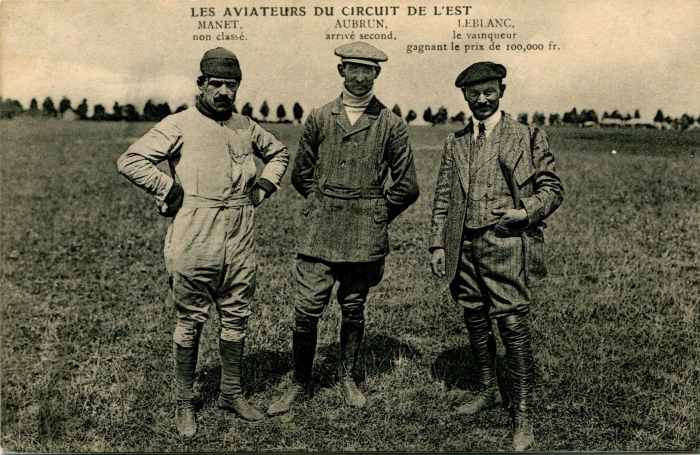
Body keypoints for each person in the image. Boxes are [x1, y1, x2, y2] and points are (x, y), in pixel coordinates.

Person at [117, 47, 289, 438]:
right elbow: (131, 160)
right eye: (216, 84)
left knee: (236, 315)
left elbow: (279, 153)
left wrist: (264, 184)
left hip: (240, 233)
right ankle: (184, 402)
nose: (224, 91)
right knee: (191, 319)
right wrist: (167, 187)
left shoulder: (247, 125)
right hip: (195, 231)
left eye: (231, 84)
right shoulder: (180, 123)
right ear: (201, 84)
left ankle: (231, 393)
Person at [267, 42, 419, 415]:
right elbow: (301, 175)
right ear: (341, 71)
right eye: (352, 68)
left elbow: (407, 186)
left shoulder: (391, 124)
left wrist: (375, 214)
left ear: (377, 74)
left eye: (367, 70)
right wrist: (325, 203)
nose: (359, 76)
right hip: (319, 233)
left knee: (353, 308)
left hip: (364, 236)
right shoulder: (319, 117)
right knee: (306, 311)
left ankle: (347, 377)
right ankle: (300, 382)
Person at [429, 62, 563, 451]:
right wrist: (439, 243)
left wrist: (526, 212)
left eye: (489, 91)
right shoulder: (455, 141)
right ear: (465, 96)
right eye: (474, 93)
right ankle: (488, 390)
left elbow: (552, 188)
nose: (482, 99)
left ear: (501, 90)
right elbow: (442, 198)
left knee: (512, 325)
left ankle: (522, 413)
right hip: (463, 247)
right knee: (473, 314)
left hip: (505, 243)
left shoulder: (527, 135)